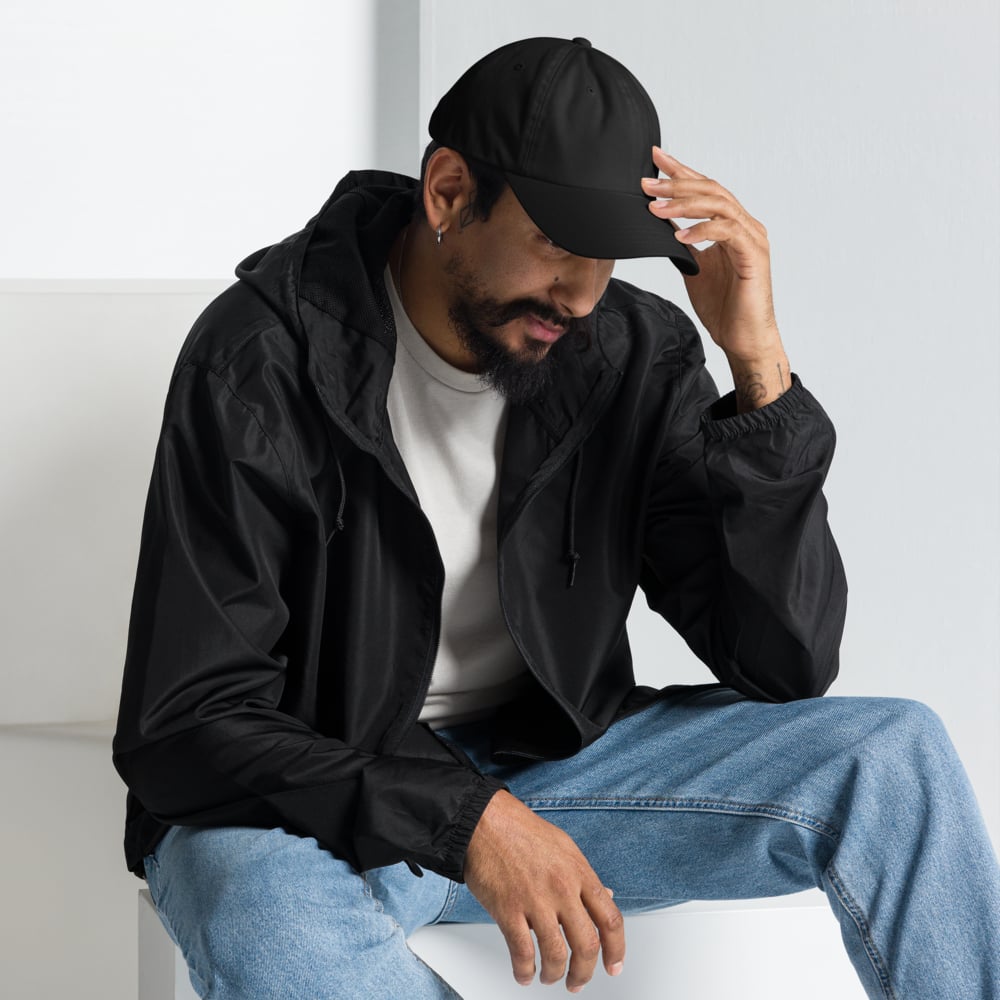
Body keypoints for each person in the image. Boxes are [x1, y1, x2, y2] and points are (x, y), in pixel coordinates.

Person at [113, 36, 1000, 999]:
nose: (582, 294)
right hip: (318, 802)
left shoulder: (629, 353)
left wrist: (758, 370)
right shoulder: (258, 358)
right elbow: (185, 723)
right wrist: (467, 821)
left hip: (551, 771)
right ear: (448, 193)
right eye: (559, 245)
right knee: (266, 919)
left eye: (608, 255)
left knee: (894, 754)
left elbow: (784, 664)